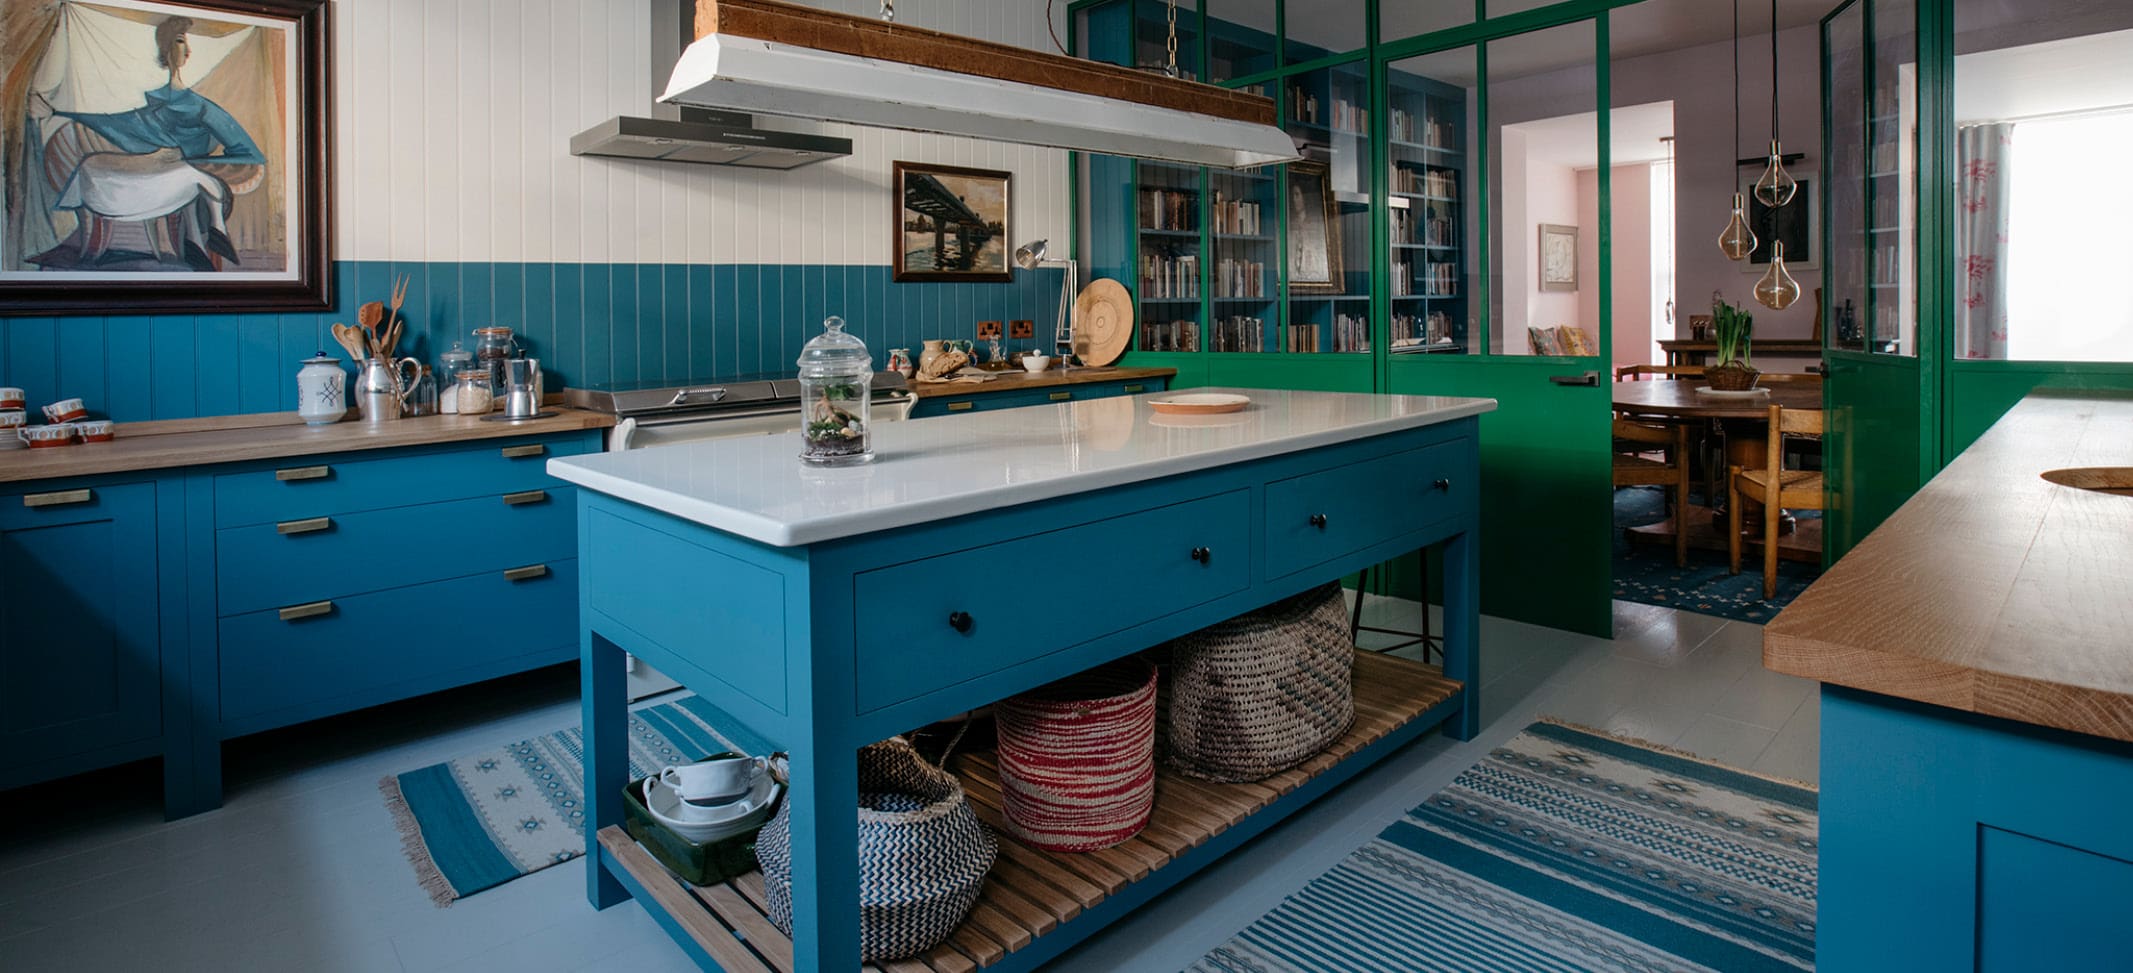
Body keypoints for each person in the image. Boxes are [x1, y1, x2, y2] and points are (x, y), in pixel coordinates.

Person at [27, 16, 265, 271]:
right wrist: (56, 112)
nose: (186, 49)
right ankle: (205, 236)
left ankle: (205, 237)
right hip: (142, 175)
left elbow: (247, 152)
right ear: (165, 49)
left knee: (195, 179)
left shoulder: (201, 107)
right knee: (94, 167)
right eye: (179, 41)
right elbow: (111, 123)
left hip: (175, 175)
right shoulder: (148, 104)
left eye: (184, 43)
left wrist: (195, 163)